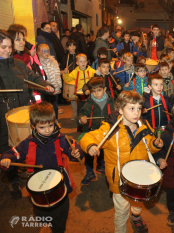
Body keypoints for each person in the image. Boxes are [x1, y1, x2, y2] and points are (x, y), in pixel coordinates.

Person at [80, 91, 163, 232]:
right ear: (120, 110)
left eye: (138, 108)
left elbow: (148, 145)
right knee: (122, 210)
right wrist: (91, 146)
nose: (136, 113)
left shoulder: (144, 125)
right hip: (118, 179)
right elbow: (87, 137)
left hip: (140, 177)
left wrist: (154, 145)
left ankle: (136, 216)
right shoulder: (110, 128)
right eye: (131, 108)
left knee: (138, 203)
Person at [0, 101, 83, 232]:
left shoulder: (61, 139)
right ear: (33, 127)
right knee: (42, 215)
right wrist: (6, 158)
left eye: (50, 125)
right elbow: (14, 153)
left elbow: (73, 146)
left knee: (59, 219)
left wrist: (75, 152)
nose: (48, 130)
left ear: (54, 122)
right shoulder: (28, 143)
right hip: (38, 187)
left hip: (59, 185)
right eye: (42, 127)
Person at [0, 30, 54, 198]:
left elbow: (34, 78)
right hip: (4, 118)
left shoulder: (19, 64)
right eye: (3, 47)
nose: (8, 51)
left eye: (9, 47)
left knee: (28, 144)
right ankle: (14, 180)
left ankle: (32, 173)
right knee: (7, 148)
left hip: (24, 112)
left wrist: (45, 85)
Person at [78, 77, 115, 184]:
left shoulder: (111, 101)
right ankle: (89, 172)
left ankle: (100, 166)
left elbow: (115, 113)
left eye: (99, 90)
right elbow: (82, 113)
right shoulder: (89, 102)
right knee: (89, 154)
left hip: (105, 132)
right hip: (91, 131)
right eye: (93, 91)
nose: (96, 94)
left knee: (102, 151)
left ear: (104, 89)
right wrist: (82, 119)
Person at [37, 44, 62, 120]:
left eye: (48, 51)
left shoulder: (53, 61)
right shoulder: (38, 63)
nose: (46, 53)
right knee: (45, 106)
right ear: (39, 53)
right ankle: (47, 120)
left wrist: (58, 84)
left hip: (54, 87)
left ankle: (56, 120)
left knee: (55, 105)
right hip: (45, 88)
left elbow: (57, 73)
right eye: (44, 51)